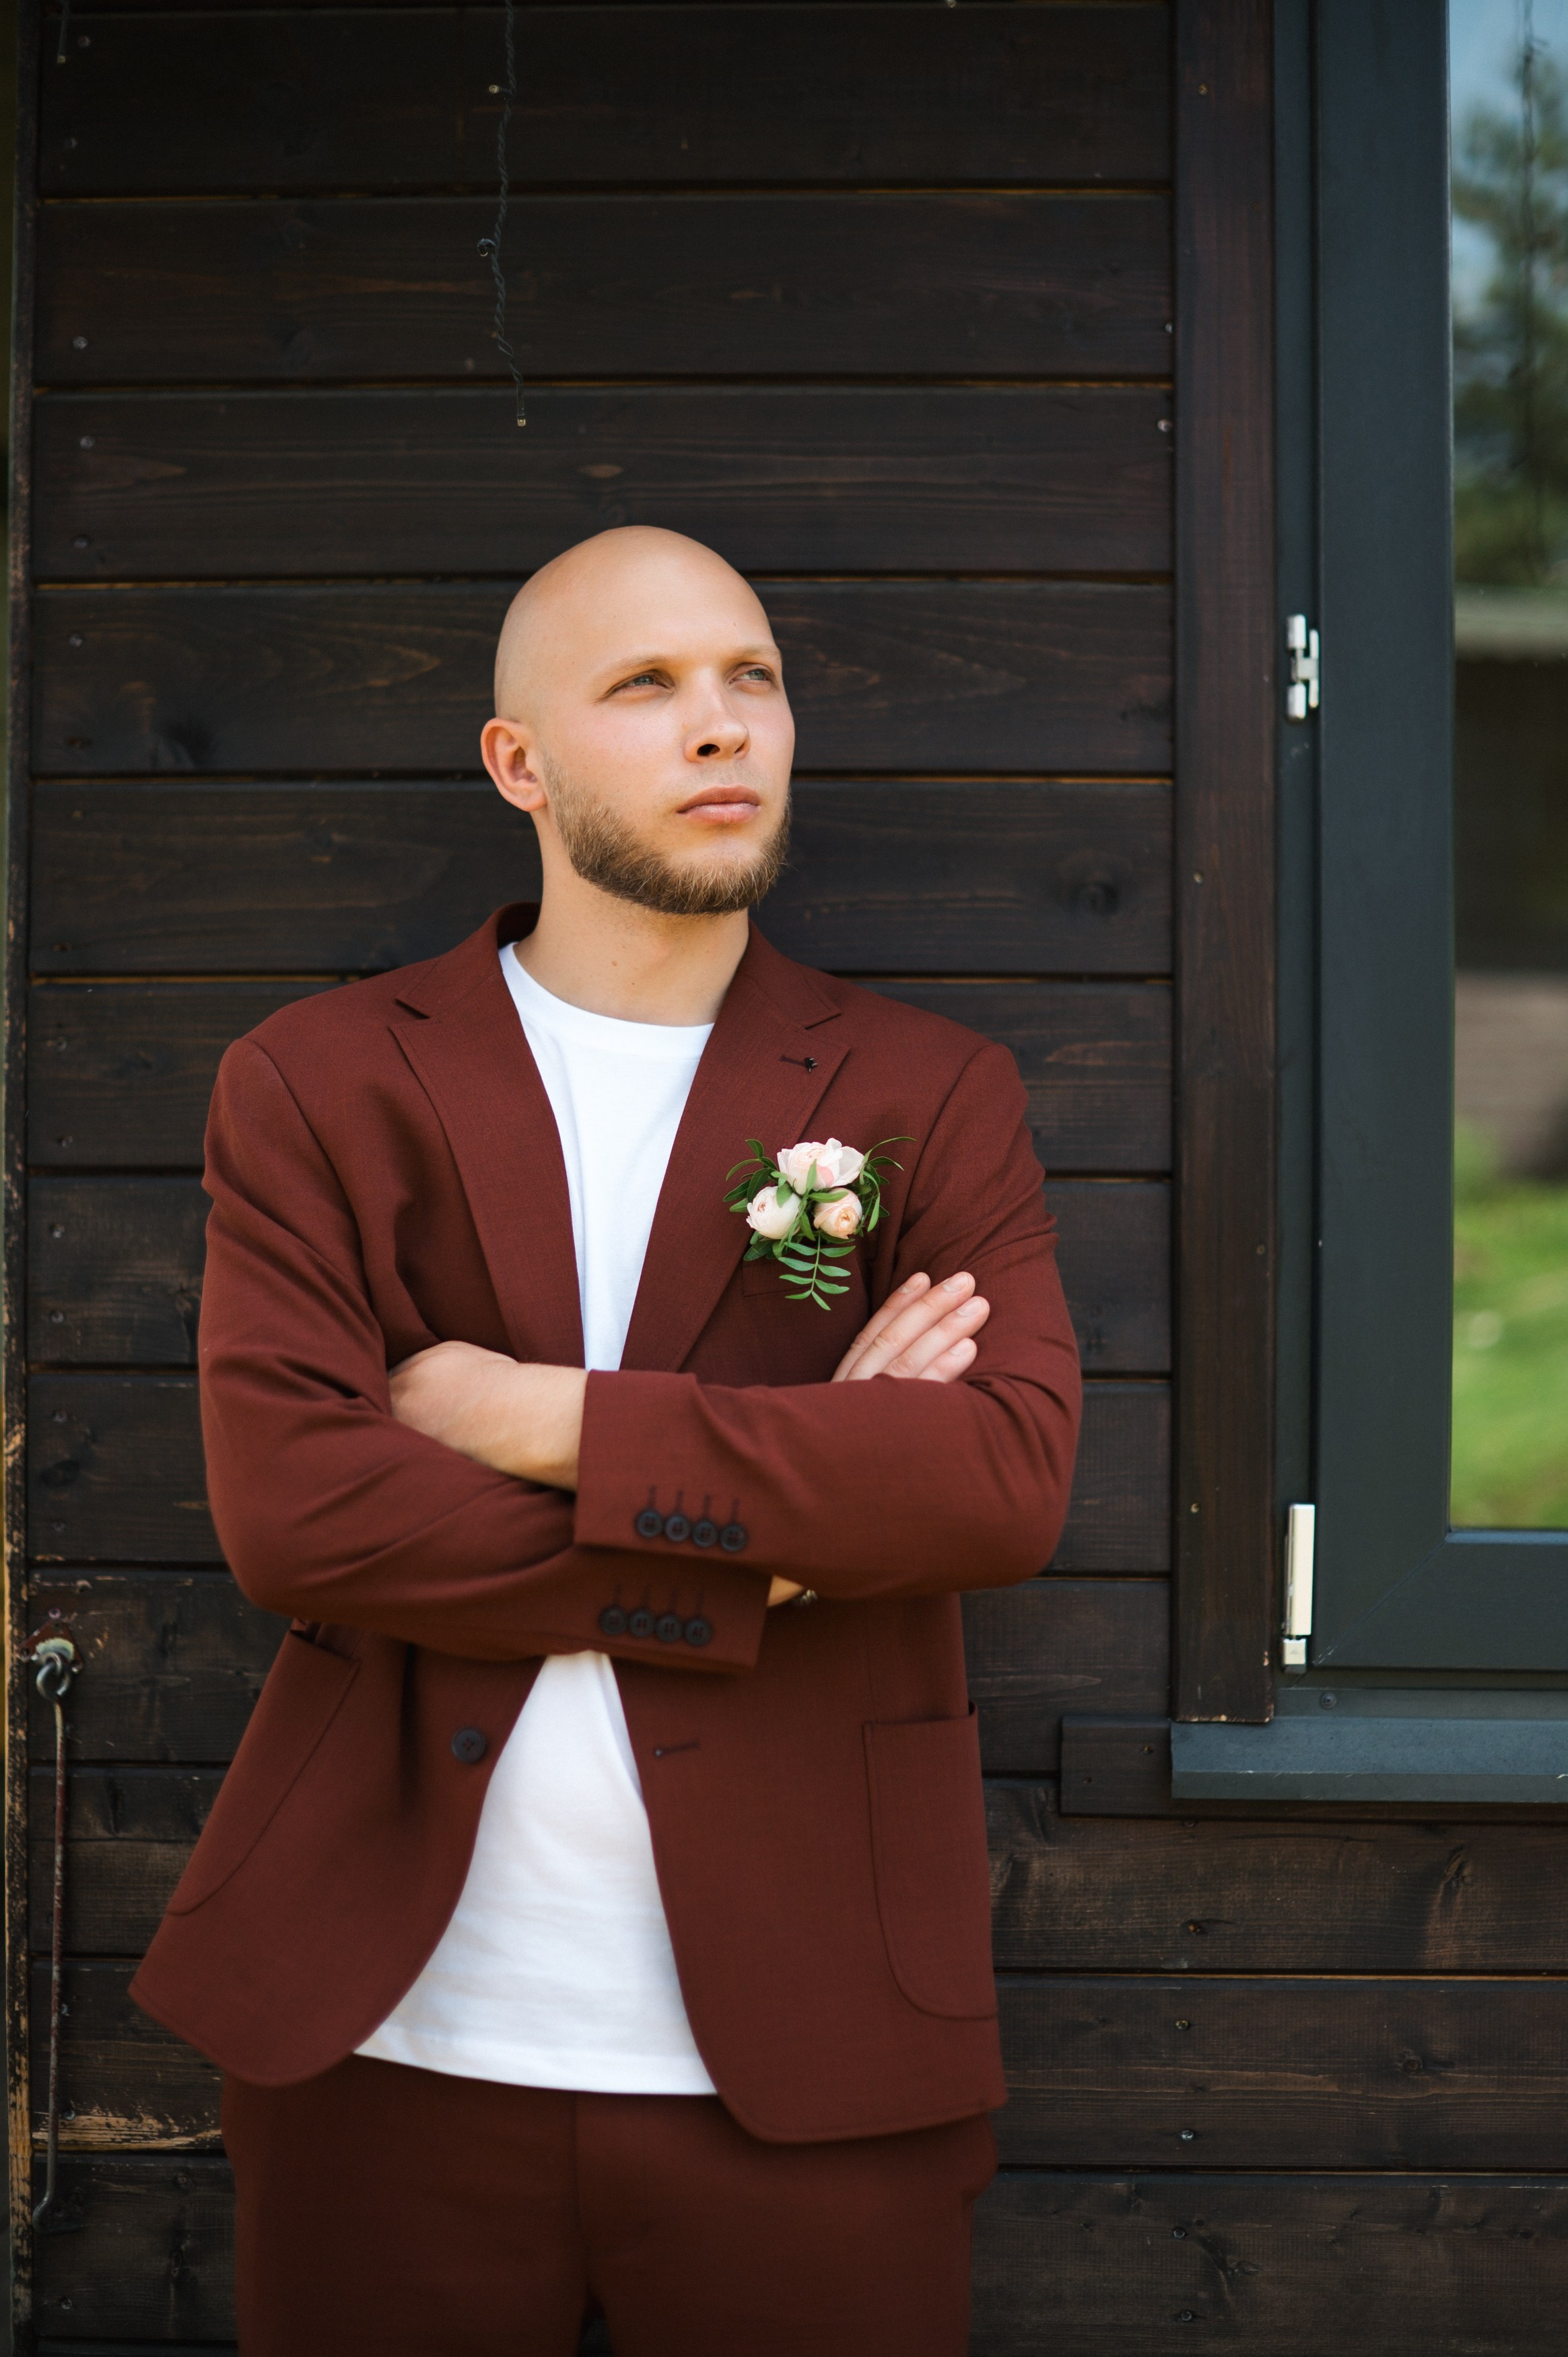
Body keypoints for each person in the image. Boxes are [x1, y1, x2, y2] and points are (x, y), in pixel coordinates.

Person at [131, 525, 1082, 2356]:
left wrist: (526, 1413)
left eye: (752, 679)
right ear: (521, 762)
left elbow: (998, 1476)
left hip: (817, 2047)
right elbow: (302, 1516)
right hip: (387, 2039)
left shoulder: (925, 1090)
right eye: (644, 687)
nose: (719, 727)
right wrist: (770, 1535)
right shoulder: (319, 1081)